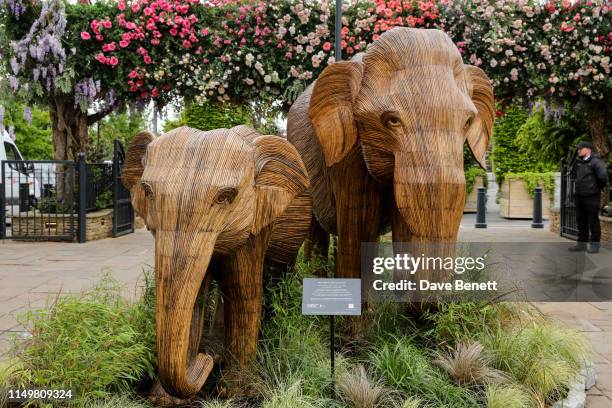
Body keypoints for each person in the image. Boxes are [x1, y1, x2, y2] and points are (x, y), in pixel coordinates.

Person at [568, 141, 608, 253]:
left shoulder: (596, 162)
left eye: (580, 148)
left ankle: (595, 245)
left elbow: (603, 178)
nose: (578, 150)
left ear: (588, 149)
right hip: (579, 196)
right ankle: (582, 245)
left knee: (593, 221)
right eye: (578, 149)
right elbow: (574, 176)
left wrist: (595, 189)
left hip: (592, 197)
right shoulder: (578, 162)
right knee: (581, 221)